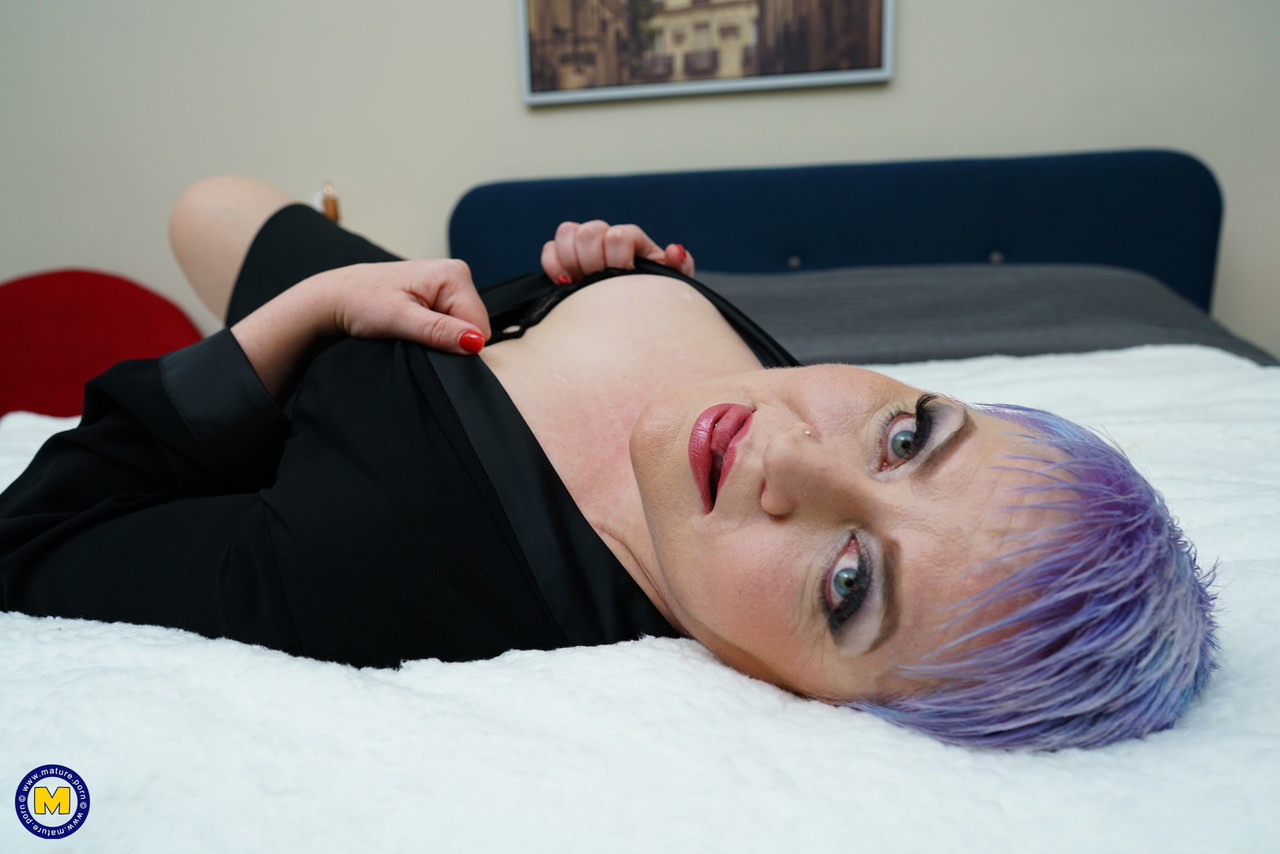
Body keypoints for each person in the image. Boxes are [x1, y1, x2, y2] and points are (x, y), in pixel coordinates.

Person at [0, 177, 1217, 750]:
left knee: (202, 210)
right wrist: (583, 284)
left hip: (330, 359)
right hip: (427, 311)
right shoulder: (758, 393)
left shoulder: (377, 561)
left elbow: (34, 536)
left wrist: (304, 317)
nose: (786, 450)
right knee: (209, 202)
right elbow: (521, 318)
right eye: (910, 437)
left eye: (850, 580)